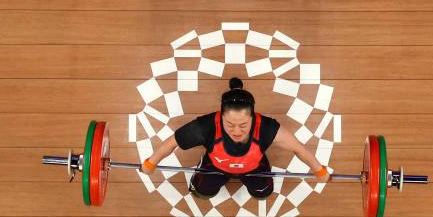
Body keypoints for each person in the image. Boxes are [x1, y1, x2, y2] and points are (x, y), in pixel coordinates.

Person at [141, 77, 331, 199]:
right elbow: (173, 142)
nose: (237, 131)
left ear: (253, 117)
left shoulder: (266, 127)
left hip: (254, 168)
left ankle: (236, 90)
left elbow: (299, 148)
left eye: (243, 125)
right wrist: (151, 163)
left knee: (263, 194)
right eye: (230, 125)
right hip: (215, 167)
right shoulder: (205, 126)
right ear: (221, 116)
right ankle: (203, 167)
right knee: (202, 193)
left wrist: (319, 170)